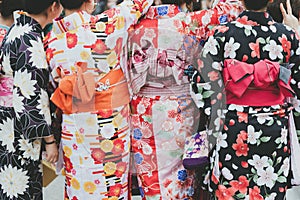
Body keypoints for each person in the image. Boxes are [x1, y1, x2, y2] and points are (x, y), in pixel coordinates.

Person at [126, 0, 243, 199]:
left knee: (151, 174)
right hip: (180, 108)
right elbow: (234, 8)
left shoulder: (131, 26)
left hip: (143, 110)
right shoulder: (191, 22)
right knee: (182, 176)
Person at [44, 0, 153, 199]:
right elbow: (140, 3)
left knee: (79, 177)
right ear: (90, 2)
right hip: (111, 120)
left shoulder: (51, 41)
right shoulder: (108, 24)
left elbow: (52, 85)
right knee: (112, 183)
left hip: (74, 125)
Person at [200, 0, 300, 199]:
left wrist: (214, 116)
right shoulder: (287, 35)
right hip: (274, 125)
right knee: (268, 187)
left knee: (232, 188)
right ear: (271, 0)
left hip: (233, 124)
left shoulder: (221, 33)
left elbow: (203, 83)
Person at [0, 0, 62, 199]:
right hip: (20, 127)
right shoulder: (29, 38)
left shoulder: (17, 29)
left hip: (9, 121)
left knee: (12, 185)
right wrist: (49, 139)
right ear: (53, 6)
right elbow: (32, 95)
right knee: (21, 186)